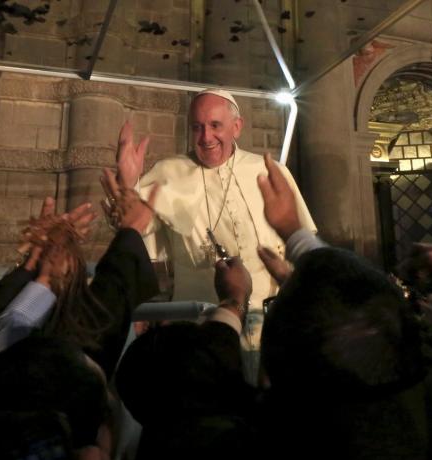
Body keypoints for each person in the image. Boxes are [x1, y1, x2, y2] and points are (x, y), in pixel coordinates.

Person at [112, 88, 316, 380]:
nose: (206, 137)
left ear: (237, 126)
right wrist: (127, 185)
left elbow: (301, 244)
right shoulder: (168, 172)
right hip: (201, 328)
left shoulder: (269, 170)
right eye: (197, 127)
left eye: (215, 126)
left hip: (275, 325)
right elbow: (133, 230)